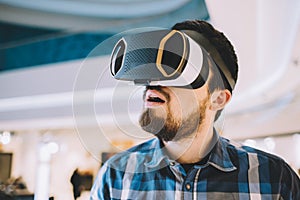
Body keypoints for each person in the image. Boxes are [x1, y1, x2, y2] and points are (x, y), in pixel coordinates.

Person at [90, 20, 300, 199]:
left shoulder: (274, 179)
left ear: (218, 99)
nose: (153, 82)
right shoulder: (115, 177)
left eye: (178, 68)